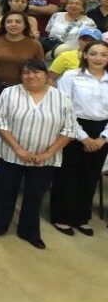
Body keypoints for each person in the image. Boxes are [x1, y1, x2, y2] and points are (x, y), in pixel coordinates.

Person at [0, 60, 77, 249]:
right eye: (26, 73)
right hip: (11, 153)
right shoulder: (10, 93)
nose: (31, 76)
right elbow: (0, 122)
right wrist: (18, 149)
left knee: (34, 196)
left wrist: (47, 153)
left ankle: (29, 231)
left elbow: (70, 130)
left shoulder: (61, 97)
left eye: (37, 72)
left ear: (46, 75)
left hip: (45, 158)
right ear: (20, 76)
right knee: (4, 193)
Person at [51, 41, 108, 236]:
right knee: (68, 174)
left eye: (103, 54)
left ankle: (81, 218)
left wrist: (103, 138)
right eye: (93, 53)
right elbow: (64, 108)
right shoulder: (71, 76)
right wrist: (83, 137)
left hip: (102, 131)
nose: (98, 58)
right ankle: (62, 217)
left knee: (90, 176)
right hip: (73, 128)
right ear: (85, 55)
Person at [0, 11, 45, 102]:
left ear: (25, 25)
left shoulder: (34, 44)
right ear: (4, 24)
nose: (13, 24)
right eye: (9, 21)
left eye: (18, 22)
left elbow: (40, 69)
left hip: (22, 89)